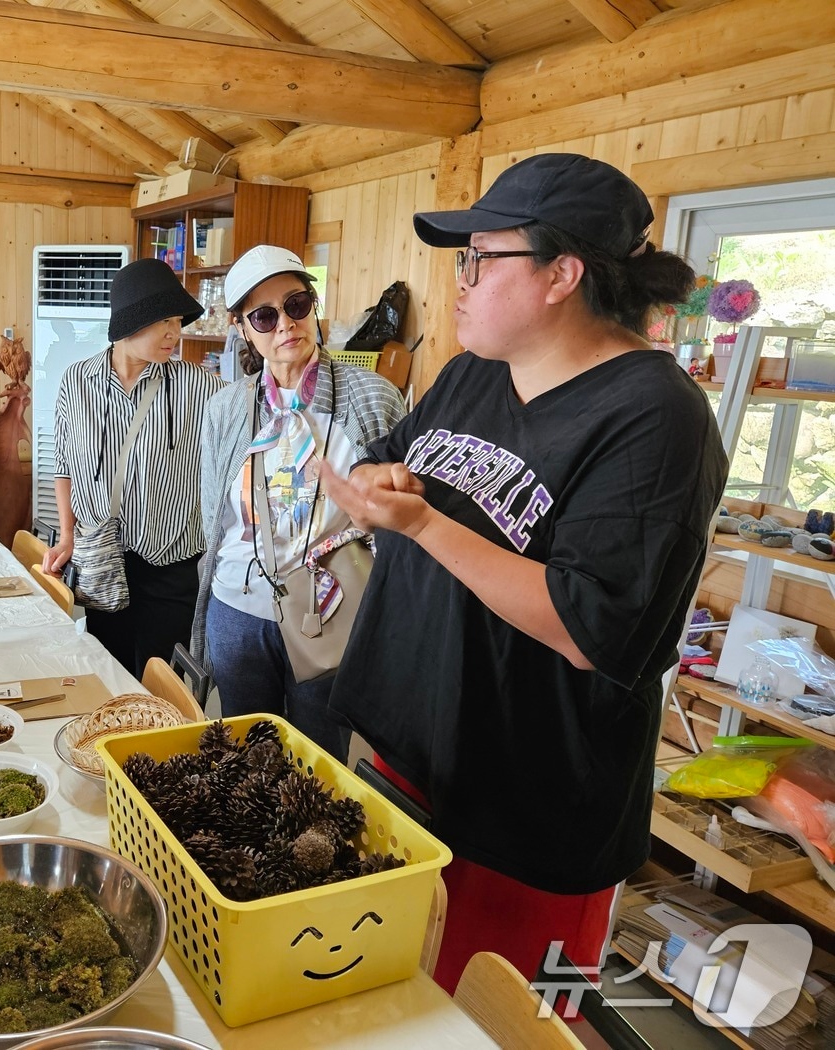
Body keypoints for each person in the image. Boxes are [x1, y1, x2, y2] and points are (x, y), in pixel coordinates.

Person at [320, 153, 728, 993]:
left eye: (479, 258)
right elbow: (390, 460)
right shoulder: (474, 370)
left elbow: (588, 627)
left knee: (498, 1027)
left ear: (561, 274)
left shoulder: (656, 417)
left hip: (530, 809)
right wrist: (374, 482)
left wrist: (422, 522)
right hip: (411, 758)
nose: (459, 281)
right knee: (384, 1006)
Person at [191, 246, 404, 757]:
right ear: (243, 329)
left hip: (330, 608)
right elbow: (212, 515)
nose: (286, 324)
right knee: (240, 755)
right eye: (264, 316)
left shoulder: (372, 397)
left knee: (318, 761)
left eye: (297, 304)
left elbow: (396, 520)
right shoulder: (226, 407)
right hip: (238, 605)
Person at [42, 258, 223, 676]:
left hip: (172, 563)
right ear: (129, 322)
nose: (175, 333)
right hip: (102, 557)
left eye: (177, 321)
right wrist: (67, 536)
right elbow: (64, 465)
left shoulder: (201, 387)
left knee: (162, 687)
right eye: (163, 321)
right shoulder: (77, 381)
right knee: (110, 674)